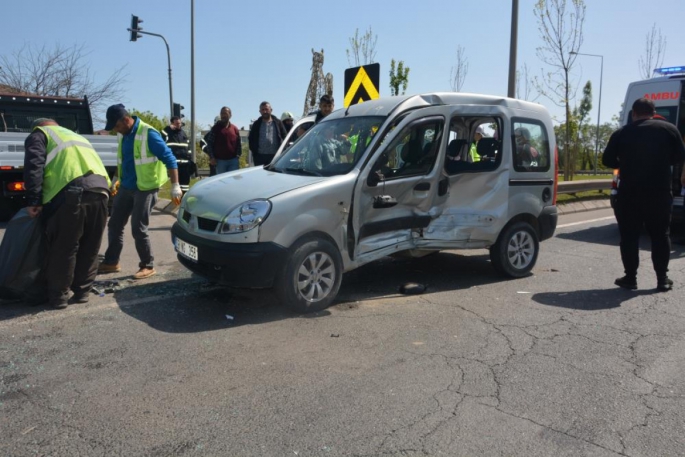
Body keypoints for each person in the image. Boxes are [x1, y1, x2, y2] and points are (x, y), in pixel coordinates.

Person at [23, 118, 110, 309]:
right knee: (90, 245)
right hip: (101, 191)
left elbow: (34, 167)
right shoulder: (76, 136)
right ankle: (82, 292)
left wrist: (33, 201)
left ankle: (59, 297)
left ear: (39, 126)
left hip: (71, 193)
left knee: (64, 247)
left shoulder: (39, 134)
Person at [602, 98, 685, 292]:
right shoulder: (669, 129)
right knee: (660, 235)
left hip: (629, 194)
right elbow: (681, 156)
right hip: (659, 193)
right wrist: (664, 161)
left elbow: (607, 160)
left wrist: (624, 163)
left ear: (634, 114)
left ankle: (630, 278)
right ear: (653, 111)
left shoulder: (622, 132)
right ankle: (662, 279)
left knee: (629, 236)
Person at [98, 104, 181, 280]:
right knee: (114, 224)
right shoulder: (123, 135)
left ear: (125, 119)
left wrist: (175, 186)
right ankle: (112, 262)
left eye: (117, 126)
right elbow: (123, 161)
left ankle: (147, 265)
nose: (115, 130)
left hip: (146, 187)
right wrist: (115, 181)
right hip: (127, 186)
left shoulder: (148, 134)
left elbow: (170, 159)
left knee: (138, 227)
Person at [204, 107, 242, 174]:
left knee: (233, 182)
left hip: (233, 161)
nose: (223, 115)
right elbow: (209, 144)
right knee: (222, 182)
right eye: (222, 113)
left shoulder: (235, 129)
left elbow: (238, 144)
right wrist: (212, 157)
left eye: (225, 113)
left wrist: (238, 156)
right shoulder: (215, 128)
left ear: (230, 115)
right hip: (220, 161)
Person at [248, 101, 287, 166]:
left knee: (274, 175)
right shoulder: (256, 124)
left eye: (266, 109)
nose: (265, 111)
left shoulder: (278, 123)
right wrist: (254, 152)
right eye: (263, 110)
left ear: (271, 110)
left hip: (275, 156)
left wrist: (283, 150)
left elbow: (285, 136)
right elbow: (251, 139)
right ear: (260, 111)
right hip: (260, 157)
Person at [162, 116, 193, 193]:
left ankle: (183, 201)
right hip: (174, 165)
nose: (179, 125)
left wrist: (190, 160)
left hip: (185, 165)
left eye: (179, 123)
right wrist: (168, 128)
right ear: (172, 123)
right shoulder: (167, 132)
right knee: (176, 187)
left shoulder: (183, 133)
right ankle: (176, 203)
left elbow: (188, 148)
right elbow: (161, 137)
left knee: (185, 186)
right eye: (176, 123)